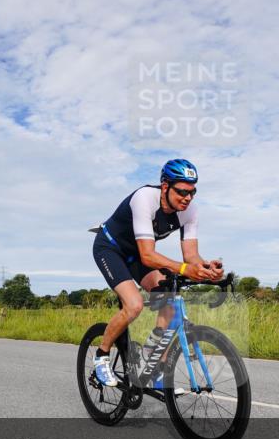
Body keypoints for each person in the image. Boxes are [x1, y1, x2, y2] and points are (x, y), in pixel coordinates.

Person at [90, 158, 223, 391]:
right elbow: (148, 255)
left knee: (169, 303)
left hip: (139, 254)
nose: (187, 198)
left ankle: (151, 366)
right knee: (134, 305)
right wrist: (183, 269)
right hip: (110, 248)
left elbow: (191, 255)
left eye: (192, 192)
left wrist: (205, 268)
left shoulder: (190, 211)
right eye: (182, 191)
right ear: (165, 186)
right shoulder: (144, 198)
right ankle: (101, 357)